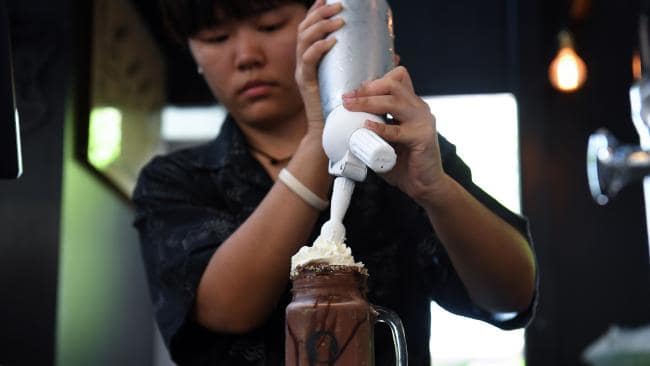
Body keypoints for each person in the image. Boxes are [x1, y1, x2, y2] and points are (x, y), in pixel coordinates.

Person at [133, 0, 538, 364]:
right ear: (192, 52)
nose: (246, 57)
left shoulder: (396, 150)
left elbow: (512, 295)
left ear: (325, 22)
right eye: (216, 37)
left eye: (271, 26)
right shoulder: (175, 182)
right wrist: (319, 138)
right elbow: (227, 307)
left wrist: (436, 190)